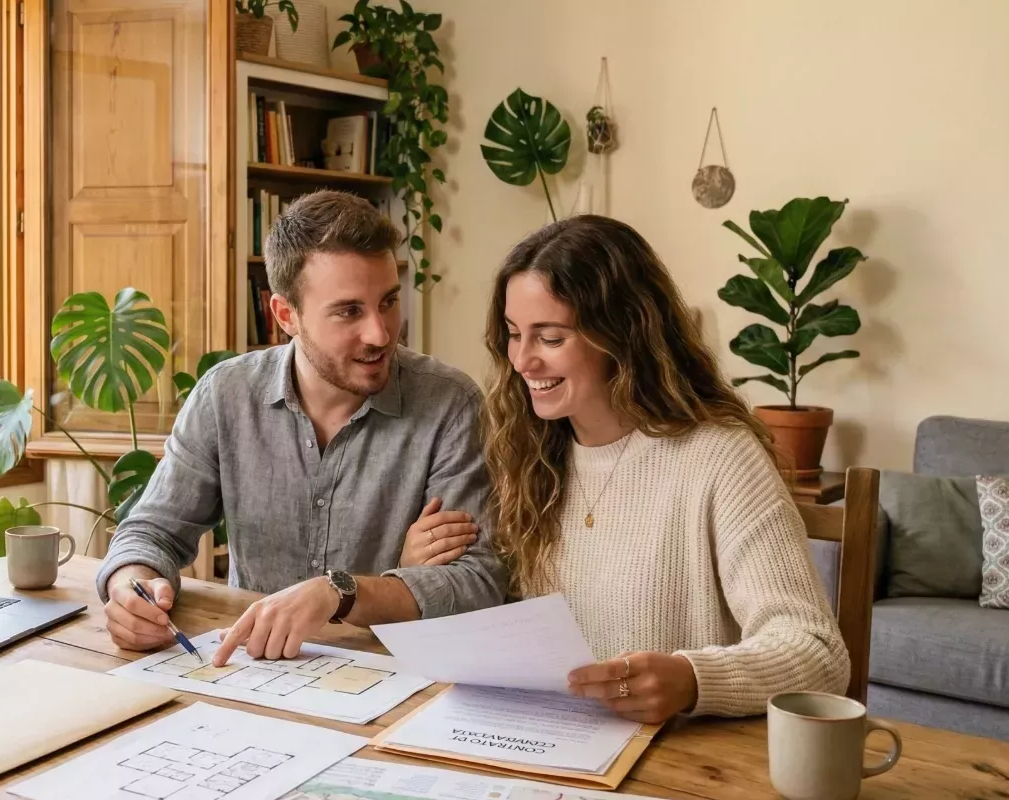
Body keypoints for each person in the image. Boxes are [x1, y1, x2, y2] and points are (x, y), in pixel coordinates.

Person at [97, 190, 504, 666]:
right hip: (250, 670)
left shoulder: (450, 403)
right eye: (349, 311)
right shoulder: (225, 395)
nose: (380, 333)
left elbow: (478, 581)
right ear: (286, 315)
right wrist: (130, 587)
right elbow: (153, 530)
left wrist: (340, 593)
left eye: (389, 301)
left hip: (392, 673)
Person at [481, 215, 849, 724]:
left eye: (551, 338)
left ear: (621, 334)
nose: (522, 360)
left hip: (681, 752)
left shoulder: (720, 457)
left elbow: (818, 652)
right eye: (513, 334)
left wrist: (694, 679)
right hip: (554, 740)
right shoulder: (529, 453)